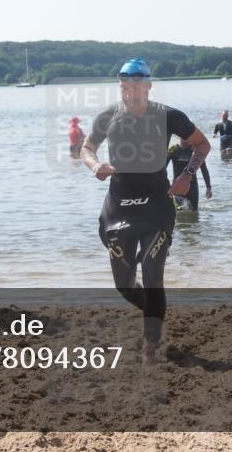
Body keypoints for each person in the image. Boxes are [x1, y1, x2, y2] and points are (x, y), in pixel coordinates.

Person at [80, 58, 210, 364]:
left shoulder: (168, 116)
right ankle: (155, 310)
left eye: (137, 85)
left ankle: (150, 346)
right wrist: (94, 165)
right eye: (126, 86)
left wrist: (186, 175)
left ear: (149, 86)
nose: (131, 91)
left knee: (153, 277)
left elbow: (202, 144)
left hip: (156, 206)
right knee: (124, 286)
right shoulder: (108, 116)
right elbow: (86, 148)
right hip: (118, 206)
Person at [166, 136, 212, 210]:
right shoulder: (173, 149)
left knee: (193, 212)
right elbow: (163, 168)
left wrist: (208, 187)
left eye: (186, 134)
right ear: (178, 135)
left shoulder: (195, 151)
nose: (184, 136)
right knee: (179, 211)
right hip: (177, 185)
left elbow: (204, 170)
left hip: (193, 186)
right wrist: (165, 184)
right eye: (182, 134)